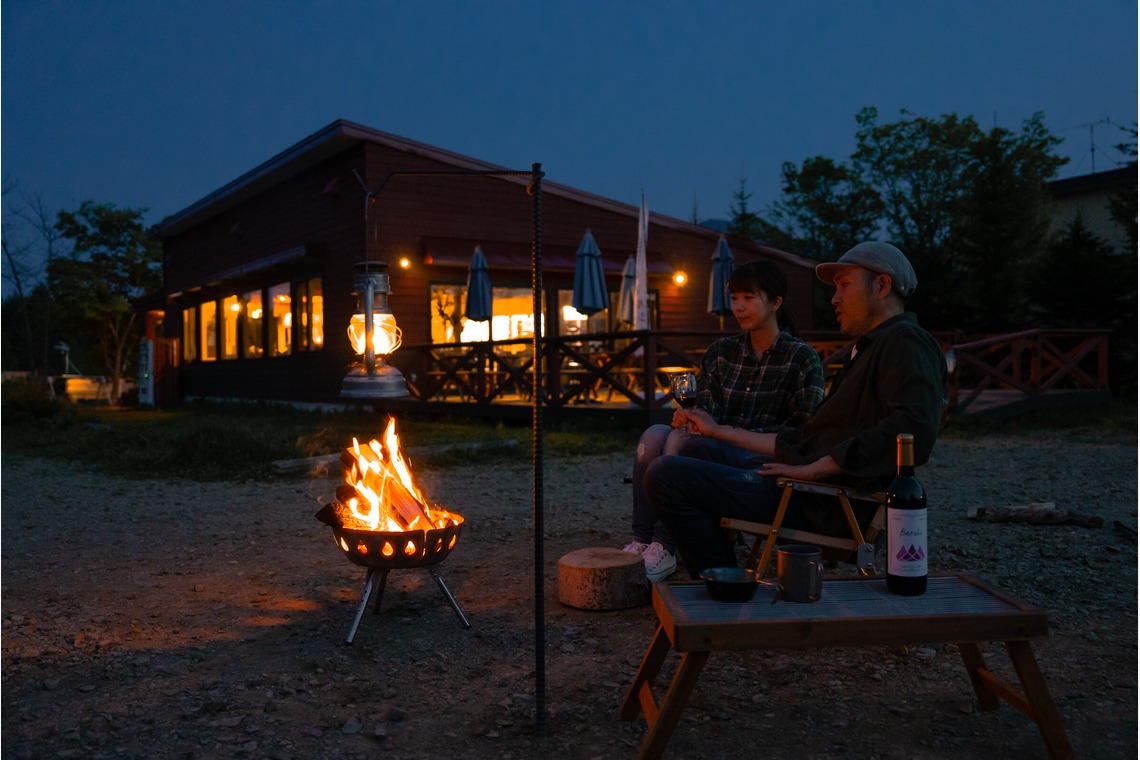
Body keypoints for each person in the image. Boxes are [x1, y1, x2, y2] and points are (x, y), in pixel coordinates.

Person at [645, 241, 948, 578]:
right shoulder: (870, 348)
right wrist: (718, 430)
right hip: (804, 481)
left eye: (844, 285)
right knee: (696, 444)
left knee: (666, 475)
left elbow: (914, 429)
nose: (834, 298)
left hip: (823, 500)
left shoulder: (906, 342)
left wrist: (819, 468)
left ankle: (723, 583)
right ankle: (712, 566)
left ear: (881, 285)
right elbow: (805, 437)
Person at [625, 259, 825, 582]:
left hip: (758, 458)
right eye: (734, 298)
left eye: (748, 297)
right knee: (654, 435)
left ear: (775, 303)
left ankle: (666, 544)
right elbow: (707, 410)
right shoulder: (722, 352)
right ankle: (643, 540)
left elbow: (802, 431)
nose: (738, 307)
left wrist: (718, 432)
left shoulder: (801, 358)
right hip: (715, 447)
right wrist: (690, 417)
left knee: (677, 442)